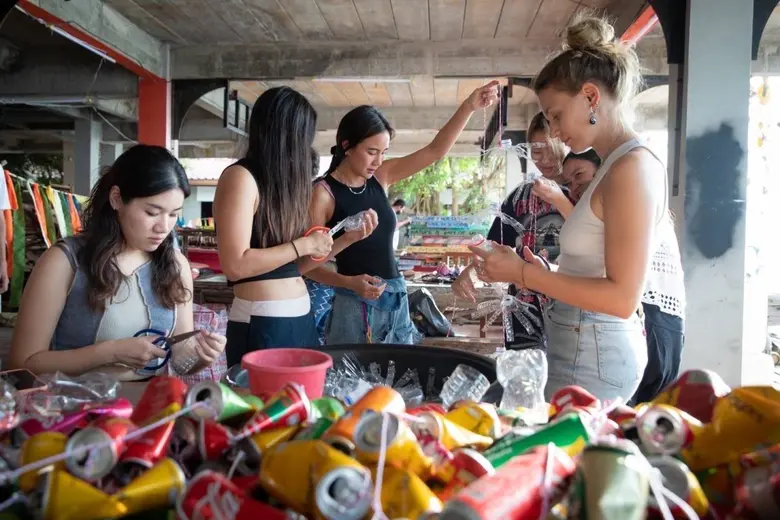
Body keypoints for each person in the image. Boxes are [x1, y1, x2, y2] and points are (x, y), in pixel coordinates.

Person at [470, 14, 678, 402]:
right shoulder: (614, 165)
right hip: (585, 343)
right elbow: (597, 267)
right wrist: (545, 270)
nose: (553, 132)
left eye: (555, 116)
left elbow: (621, 298)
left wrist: (524, 275)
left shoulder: (631, 168)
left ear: (591, 97)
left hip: (596, 353)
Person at [9, 145, 226, 379]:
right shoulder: (64, 261)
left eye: (173, 214)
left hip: (150, 409)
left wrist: (200, 356)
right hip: (75, 407)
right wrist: (109, 353)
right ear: (116, 199)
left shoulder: (176, 265)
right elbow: (22, 363)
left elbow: (180, 358)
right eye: (152, 212)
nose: (163, 227)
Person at [306, 82, 499, 345]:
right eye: (371, 152)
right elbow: (308, 266)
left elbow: (434, 151)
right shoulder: (323, 193)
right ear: (347, 146)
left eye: (383, 153)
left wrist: (468, 107)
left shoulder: (380, 178)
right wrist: (348, 282)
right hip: (353, 303)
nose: (378, 161)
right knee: (353, 383)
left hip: (396, 296)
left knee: (398, 379)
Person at [214, 87, 377, 365]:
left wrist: (345, 240)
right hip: (263, 320)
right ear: (286, 136)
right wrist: (303, 245)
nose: (306, 148)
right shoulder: (240, 177)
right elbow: (235, 265)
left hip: (300, 317)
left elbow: (296, 267)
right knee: (262, 406)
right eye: (304, 137)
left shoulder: (283, 187)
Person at [534, 149, 686, 404]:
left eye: (580, 174)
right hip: (636, 325)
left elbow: (614, 286)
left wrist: (526, 274)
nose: (574, 187)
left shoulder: (625, 188)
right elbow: (597, 265)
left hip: (651, 321)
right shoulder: (618, 200)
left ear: (604, 170)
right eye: (568, 183)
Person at [452, 112, 570, 350]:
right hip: (523, 310)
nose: (544, 159)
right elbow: (492, 245)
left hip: (571, 305)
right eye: (537, 151)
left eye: (551, 149)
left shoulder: (582, 192)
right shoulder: (519, 197)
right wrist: (471, 270)